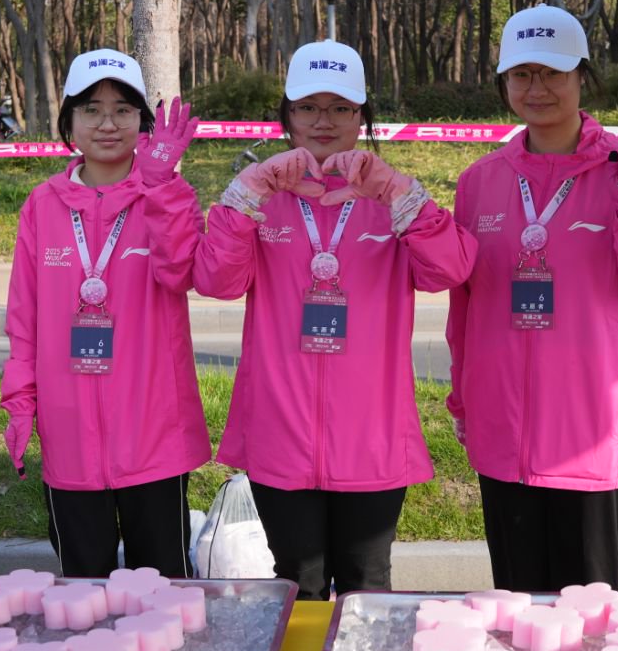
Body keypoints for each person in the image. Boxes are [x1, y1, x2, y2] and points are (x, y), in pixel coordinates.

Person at [196, 41, 476, 600]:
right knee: (296, 587)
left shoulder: (391, 199)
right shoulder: (261, 199)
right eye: (308, 107)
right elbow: (217, 282)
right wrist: (246, 194)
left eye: (340, 108)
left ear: (361, 116)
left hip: (373, 438)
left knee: (365, 588)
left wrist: (400, 194)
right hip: (279, 434)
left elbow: (449, 269)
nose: (323, 121)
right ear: (287, 114)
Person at [446, 4, 618, 592]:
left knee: (588, 624)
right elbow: (465, 308)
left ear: (582, 75)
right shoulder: (481, 181)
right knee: (518, 615)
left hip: (593, 441)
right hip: (504, 438)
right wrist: (463, 401)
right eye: (522, 74)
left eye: (553, 72)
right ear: (504, 82)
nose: (537, 89)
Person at [0, 49, 211, 578]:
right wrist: (21, 402)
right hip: (69, 433)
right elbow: (24, 318)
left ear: (143, 121)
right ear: (68, 122)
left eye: (123, 109)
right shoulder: (42, 205)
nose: (107, 124)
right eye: (91, 109)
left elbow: (181, 272)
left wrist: (162, 187)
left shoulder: (166, 195)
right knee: (82, 587)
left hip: (154, 434)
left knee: (162, 588)